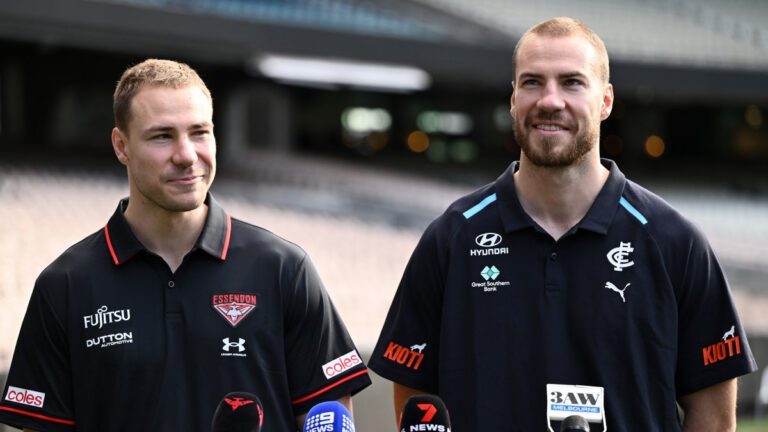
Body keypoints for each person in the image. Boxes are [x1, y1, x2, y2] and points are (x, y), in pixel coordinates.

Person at [369, 17, 757, 431]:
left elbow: (714, 418)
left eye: (572, 82)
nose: (550, 100)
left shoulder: (675, 242)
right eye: (532, 82)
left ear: (605, 101)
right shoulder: (451, 238)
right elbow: (417, 400)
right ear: (513, 99)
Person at [0, 59, 371, 431]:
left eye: (199, 132)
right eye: (162, 136)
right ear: (121, 146)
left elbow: (329, 414)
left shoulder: (284, 268)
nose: (187, 155)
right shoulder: (65, 285)